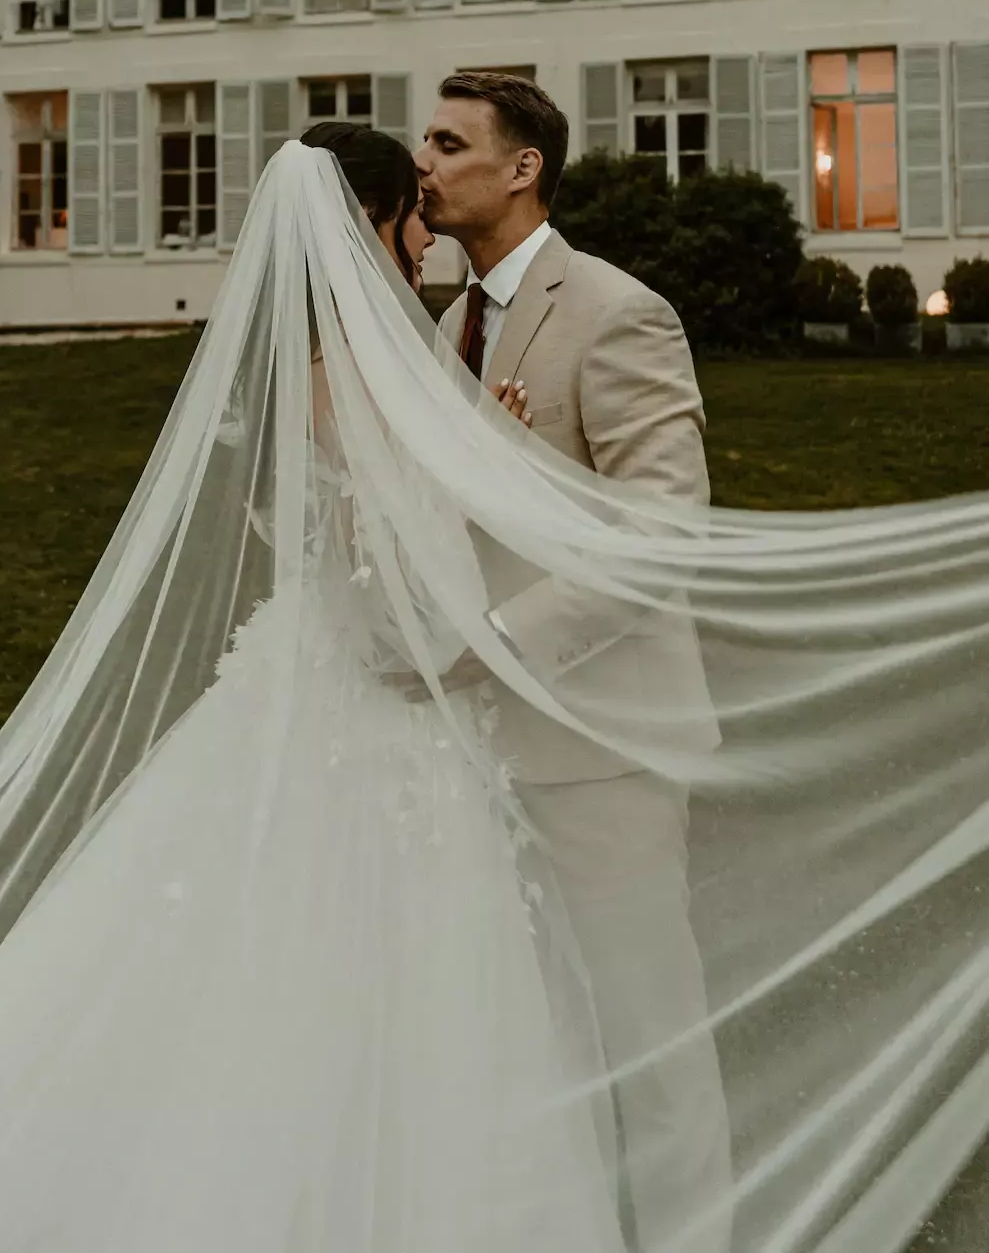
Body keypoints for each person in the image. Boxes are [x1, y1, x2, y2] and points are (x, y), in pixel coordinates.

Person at [0, 127, 624, 1253]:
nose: (424, 231)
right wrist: (490, 464)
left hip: (297, 673)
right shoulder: (366, 364)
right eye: (411, 207)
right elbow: (396, 563)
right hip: (378, 705)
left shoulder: (295, 359)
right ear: (373, 221)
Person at [415, 72, 732, 1253]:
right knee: (539, 1029)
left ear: (522, 166)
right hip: (482, 750)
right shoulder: (450, 327)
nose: (426, 161)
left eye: (449, 141)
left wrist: (491, 643)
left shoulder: (615, 310)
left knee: (651, 1036)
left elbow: (664, 536)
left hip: (602, 742)